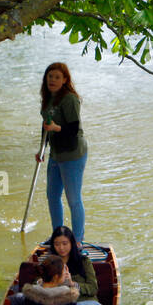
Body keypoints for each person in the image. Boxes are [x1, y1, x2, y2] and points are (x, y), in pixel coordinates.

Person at [36, 62, 88, 242]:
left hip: (73, 154)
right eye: (50, 76)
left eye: (57, 77)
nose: (53, 80)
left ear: (65, 80)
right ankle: (57, 237)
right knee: (52, 196)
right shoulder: (48, 97)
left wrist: (56, 128)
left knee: (73, 199)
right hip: (56, 153)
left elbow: (73, 129)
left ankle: (78, 241)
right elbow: (46, 125)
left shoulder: (70, 99)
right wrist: (41, 149)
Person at [48, 225, 98, 300]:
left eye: (65, 244)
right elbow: (37, 283)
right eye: (57, 244)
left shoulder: (84, 261)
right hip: (59, 304)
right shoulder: (49, 262)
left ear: (72, 243)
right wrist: (54, 282)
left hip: (85, 303)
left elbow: (93, 288)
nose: (61, 248)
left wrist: (73, 284)